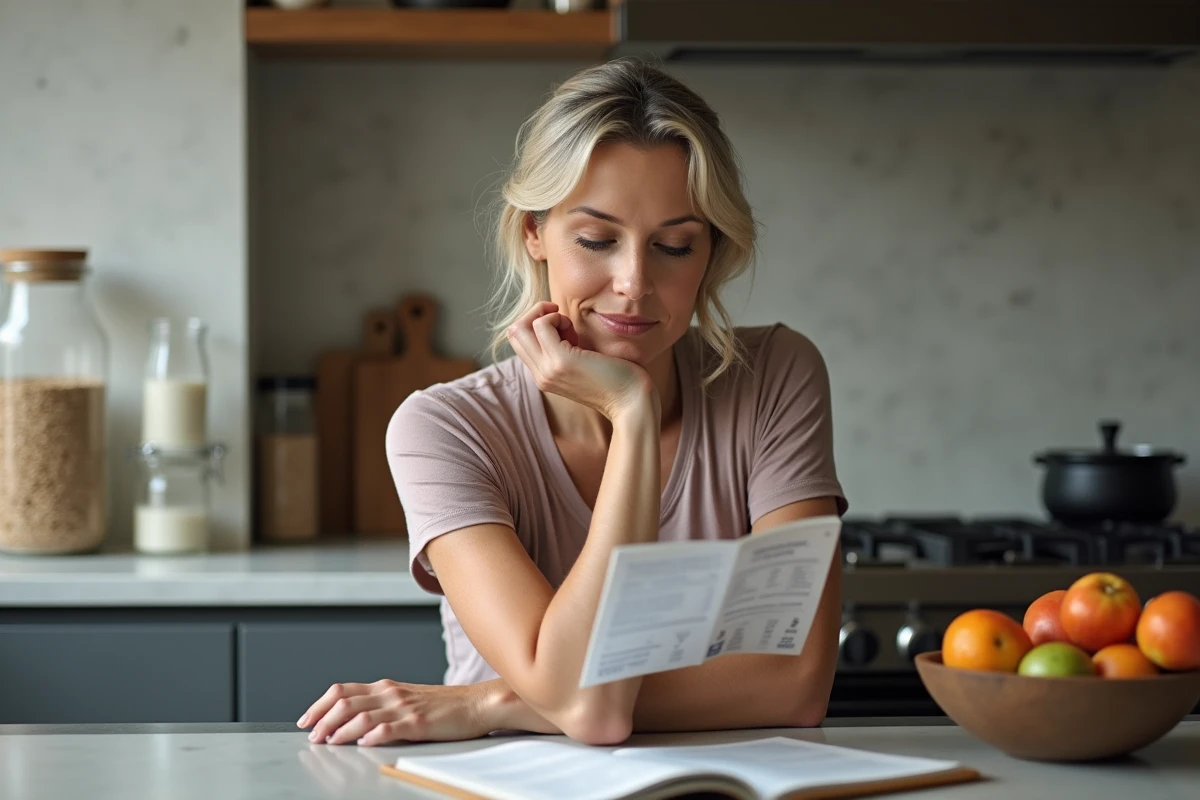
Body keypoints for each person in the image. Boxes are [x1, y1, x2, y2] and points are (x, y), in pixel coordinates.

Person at [298, 58, 847, 748]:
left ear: (710, 252)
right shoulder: (442, 428)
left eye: (675, 246)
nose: (634, 282)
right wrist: (635, 416)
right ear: (534, 231)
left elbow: (795, 689)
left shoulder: (775, 375)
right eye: (596, 240)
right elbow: (592, 710)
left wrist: (488, 702)